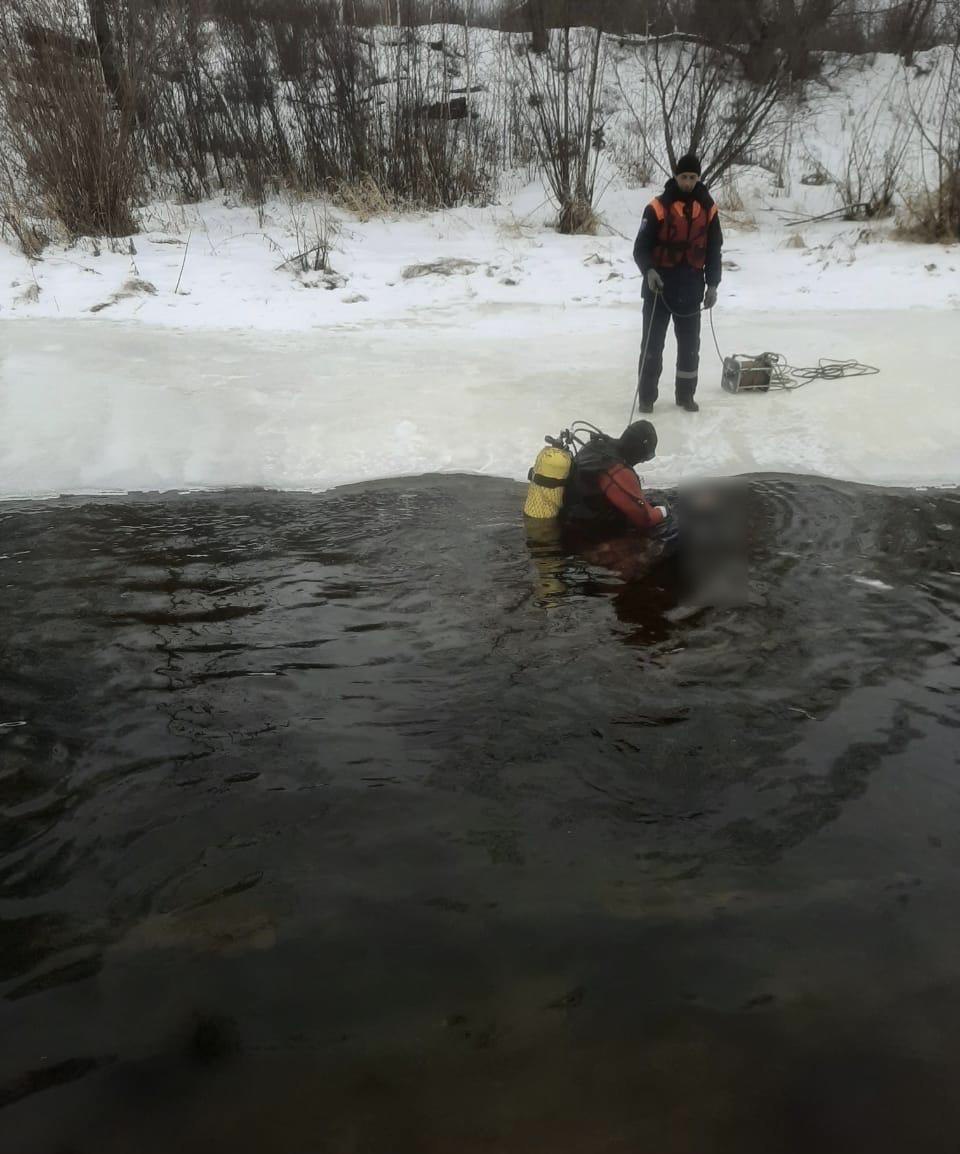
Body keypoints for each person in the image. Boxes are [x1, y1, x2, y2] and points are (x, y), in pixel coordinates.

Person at [632, 152, 723, 414]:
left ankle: (686, 396)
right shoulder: (657, 207)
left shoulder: (708, 209)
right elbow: (641, 248)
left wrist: (713, 284)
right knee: (652, 347)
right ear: (676, 176)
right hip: (658, 288)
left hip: (691, 288)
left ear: (698, 178)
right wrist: (648, 271)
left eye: (693, 178)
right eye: (684, 177)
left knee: (689, 347)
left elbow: (714, 249)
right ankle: (647, 398)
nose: (688, 182)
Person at [561, 420, 669, 535]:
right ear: (639, 450)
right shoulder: (618, 471)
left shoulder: (598, 444)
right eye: (646, 457)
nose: (642, 461)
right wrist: (665, 510)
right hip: (585, 534)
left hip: (572, 512)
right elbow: (646, 520)